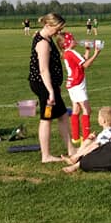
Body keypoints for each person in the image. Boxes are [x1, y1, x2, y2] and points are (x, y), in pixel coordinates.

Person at [28, 12, 74, 163]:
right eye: (57, 28)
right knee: (46, 119)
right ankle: (46, 156)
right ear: (48, 25)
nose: (59, 32)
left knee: (63, 116)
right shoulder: (43, 43)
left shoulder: (46, 37)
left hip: (49, 85)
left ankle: (71, 149)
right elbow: (43, 70)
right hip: (44, 86)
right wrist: (50, 92)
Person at [60, 31, 103, 144]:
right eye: (73, 39)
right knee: (87, 110)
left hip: (72, 84)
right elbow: (85, 65)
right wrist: (96, 53)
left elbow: (81, 61)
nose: (75, 40)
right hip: (77, 84)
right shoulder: (72, 52)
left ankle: (75, 137)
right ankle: (86, 138)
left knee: (76, 109)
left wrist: (87, 50)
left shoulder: (68, 53)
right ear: (67, 42)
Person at [61, 106, 111, 174]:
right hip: (106, 152)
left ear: (103, 121)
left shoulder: (107, 133)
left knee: (90, 150)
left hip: (107, 155)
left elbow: (94, 146)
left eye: (99, 117)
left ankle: (75, 166)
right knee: (88, 142)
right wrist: (90, 139)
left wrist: (79, 154)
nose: (97, 118)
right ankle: (74, 159)